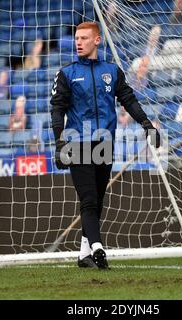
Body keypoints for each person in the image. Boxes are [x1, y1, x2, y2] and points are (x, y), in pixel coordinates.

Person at [50, 22, 160, 269]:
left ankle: (83, 254)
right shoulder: (66, 73)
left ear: (97, 40)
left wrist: (146, 124)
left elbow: (128, 100)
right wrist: (59, 142)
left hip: (104, 144)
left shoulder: (112, 71)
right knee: (88, 199)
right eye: (77, 38)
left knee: (97, 200)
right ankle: (98, 248)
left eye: (84, 38)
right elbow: (57, 110)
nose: (78, 42)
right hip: (78, 143)